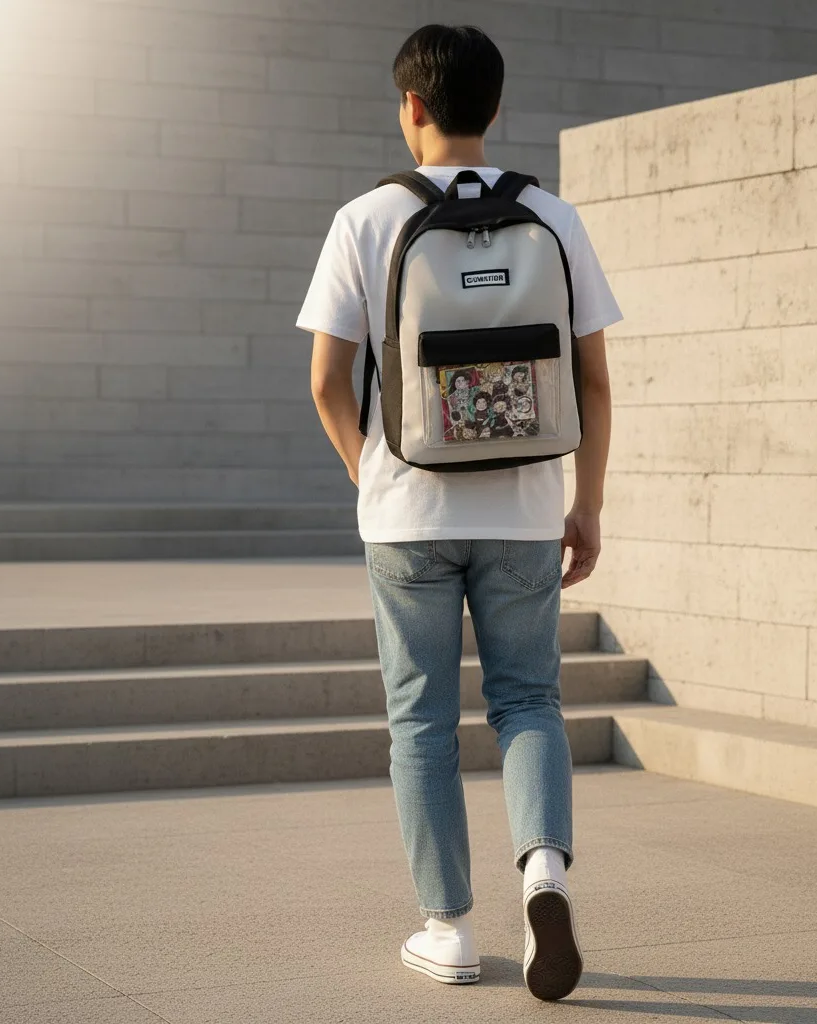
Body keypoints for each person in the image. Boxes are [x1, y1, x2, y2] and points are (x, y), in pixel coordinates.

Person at [298, 23, 620, 1002]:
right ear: (493, 106)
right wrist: (585, 504)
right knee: (528, 699)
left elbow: (323, 382)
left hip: (408, 511)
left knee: (422, 721)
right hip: (525, 508)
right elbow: (596, 383)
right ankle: (544, 873)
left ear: (411, 107)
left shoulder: (365, 218)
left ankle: (447, 927)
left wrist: (374, 478)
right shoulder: (553, 219)